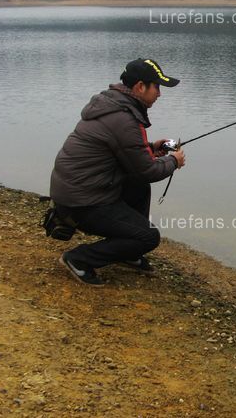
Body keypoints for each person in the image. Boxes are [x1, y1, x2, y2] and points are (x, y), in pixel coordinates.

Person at [50, 58, 186, 286]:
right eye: (157, 87)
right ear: (140, 86)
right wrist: (174, 161)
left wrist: (151, 148)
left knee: (138, 185)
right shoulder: (124, 118)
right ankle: (79, 259)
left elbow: (125, 152)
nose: (160, 94)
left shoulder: (114, 106)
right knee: (149, 237)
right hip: (81, 202)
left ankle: (128, 252)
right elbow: (148, 171)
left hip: (76, 193)